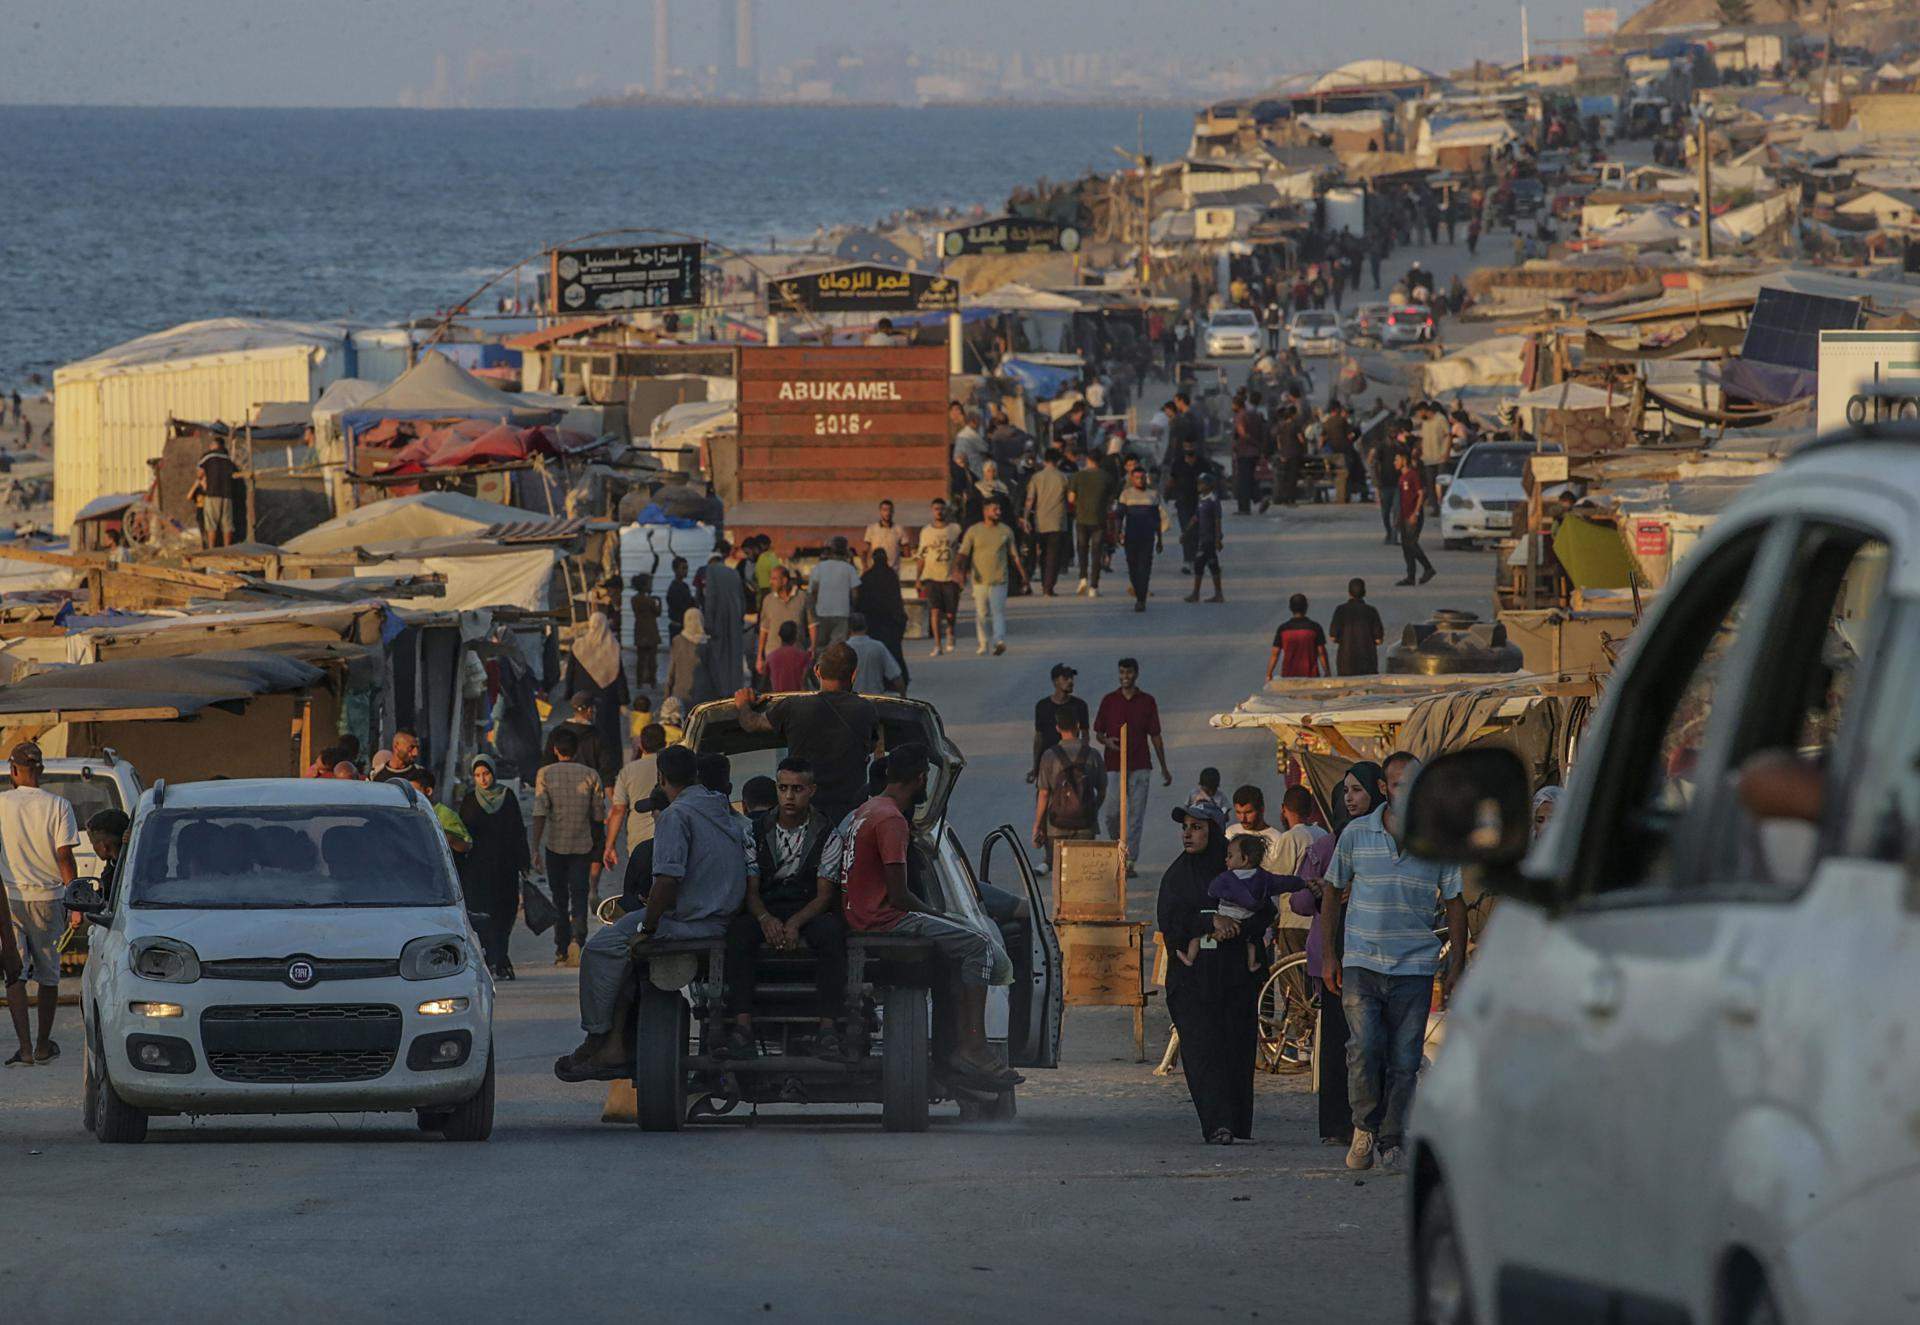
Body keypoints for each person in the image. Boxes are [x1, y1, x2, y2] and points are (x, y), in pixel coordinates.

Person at [555, 744, 749, 1082]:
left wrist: (649, 924)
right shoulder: (720, 808)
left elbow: (668, 881)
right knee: (624, 948)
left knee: (601, 949)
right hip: (722, 916)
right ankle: (614, 1040)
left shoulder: (677, 814)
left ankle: (598, 1038)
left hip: (691, 921)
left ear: (661, 777)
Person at [835, 744, 1019, 1087]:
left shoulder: (867, 809)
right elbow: (901, 895)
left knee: (959, 944)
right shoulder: (892, 820)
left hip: (860, 916)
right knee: (978, 945)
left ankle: (963, 1043)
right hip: (885, 919)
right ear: (920, 779)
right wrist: (937, 913)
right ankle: (973, 1046)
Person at [1324, 754, 1468, 1173]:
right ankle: (1364, 1126)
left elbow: (1456, 902)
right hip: (1362, 962)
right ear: (1384, 789)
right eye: (1398, 784)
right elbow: (1333, 892)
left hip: (1414, 967)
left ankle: (1392, 1139)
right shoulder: (1356, 834)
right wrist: (1330, 955)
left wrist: (1457, 961)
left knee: (1405, 1060)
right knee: (1364, 1049)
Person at [720, 757, 850, 1060]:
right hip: (766, 902)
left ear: (812, 791)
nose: (790, 796)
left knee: (832, 934)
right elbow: (751, 889)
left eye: (797, 789)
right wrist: (765, 918)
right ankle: (742, 1027)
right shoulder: (755, 831)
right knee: (739, 934)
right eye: (783, 788)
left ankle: (828, 1029)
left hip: (807, 906)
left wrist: (794, 923)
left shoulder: (827, 833)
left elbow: (824, 895)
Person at [1156, 801, 1266, 1143]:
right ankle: (1216, 1124)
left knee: (1235, 1048)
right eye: (1185, 827)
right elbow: (1170, 923)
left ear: (1215, 832)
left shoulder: (1237, 869)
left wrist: (1238, 928)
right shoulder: (1177, 876)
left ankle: (1235, 1123)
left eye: (1198, 827)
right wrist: (1207, 921)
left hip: (1234, 979)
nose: (1188, 833)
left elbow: (1264, 911)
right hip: (1193, 982)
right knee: (1202, 1051)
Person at [732, 642, 879, 828]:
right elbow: (872, 746)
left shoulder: (794, 707)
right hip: (850, 818)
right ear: (854, 674)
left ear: (817, 671)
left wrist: (743, 703)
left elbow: (752, 724)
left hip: (804, 818)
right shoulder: (866, 710)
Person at [1, 742, 77, 1067]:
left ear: (13, 771)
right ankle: (45, 1044)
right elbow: (64, 856)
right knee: (49, 976)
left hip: (9, 900)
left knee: (13, 973)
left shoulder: (1, 803)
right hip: (49, 900)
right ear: (41, 771)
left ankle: (25, 1048)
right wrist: (76, 902)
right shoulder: (59, 805)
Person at [532, 727, 604, 967]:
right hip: (582, 846)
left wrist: (534, 847)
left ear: (555, 750)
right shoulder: (591, 775)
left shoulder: (545, 774)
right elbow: (598, 815)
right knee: (580, 895)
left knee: (559, 898)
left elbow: (540, 812)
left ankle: (561, 948)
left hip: (555, 846)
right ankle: (578, 941)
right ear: (577, 750)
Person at [1094, 658, 1171, 871]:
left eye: (1128, 673)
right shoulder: (1109, 700)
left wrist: (1164, 767)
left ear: (1135, 674)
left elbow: (1155, 735)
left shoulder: (1147, 701)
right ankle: (1118, 847)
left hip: (1140, 765)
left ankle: (1129, 860)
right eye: (1122, 673)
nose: (1125, 677)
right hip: (1114, 765)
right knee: (1112, 813)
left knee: (1136, 815)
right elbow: (1099, 732)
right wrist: (1107, 741)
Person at [1201, 835, 1294, 972]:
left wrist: (1240, 927)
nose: (1226, 860)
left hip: (1235, 961)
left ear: (1244, 859)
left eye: (1230, 856)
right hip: (1221, 959)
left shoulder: (1235, 879)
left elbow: (1268, 911)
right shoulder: (1248, 879)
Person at [1032, 704, 1106, 874]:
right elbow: (1102, 790)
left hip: (1057, 826)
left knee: (1062, 876)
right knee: (1084, 874)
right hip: (1086, 825)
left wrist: (1038, 825)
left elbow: (1043, 793)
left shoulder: (1050, 756)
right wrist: (1091, 809)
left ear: (1058, 727)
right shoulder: (1092, 754)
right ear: (1078, 726)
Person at [559, 614, 627, 782]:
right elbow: (620, 676)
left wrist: (569, 694)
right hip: (607, 701)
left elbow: (570, 673)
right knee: (608, 735)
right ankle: (609, 772)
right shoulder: (613, 647)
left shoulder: (579, 646)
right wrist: (623, 698)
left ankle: (585, 766)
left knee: (584, 733)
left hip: (582, 699)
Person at [955, 497, 1025, 657]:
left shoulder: (1006, 531)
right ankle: (983, 643)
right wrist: (959, 571)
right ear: (985, 511)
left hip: (1000, 579)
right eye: (995, 509)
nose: (998, 512)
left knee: (998, 611)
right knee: (981, 612)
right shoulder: (974, 531)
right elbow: (963, 553)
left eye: (999, 509)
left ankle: (999, 641)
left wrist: (1023, 576)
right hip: (979, 580)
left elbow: (1014, 556)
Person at [604, 722, 668, 872]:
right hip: (670, 834)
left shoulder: (628, 771)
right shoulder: (670, 764)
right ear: (664, 743)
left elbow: (618, 810)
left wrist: (610, 846)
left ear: (641, 745)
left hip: (638, 838)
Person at [1116, 466, 1170, 613]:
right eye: (1137, 477)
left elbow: (1157, 519)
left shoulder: (1153, 495)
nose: (1140, 480)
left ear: (1146, 478)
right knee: (1133, 568)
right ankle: (1138, 590)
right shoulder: (1126, 495)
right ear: (1132, 479)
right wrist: (1117, 533)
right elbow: (1119, 516)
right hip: (1131, 537)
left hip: (1147, 538)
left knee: (1145, 569)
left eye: (1142, 477)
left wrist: (1159, 539)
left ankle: (1141, 600)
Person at [855, 548, 910, 690]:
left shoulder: (866, 577)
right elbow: (896, 600)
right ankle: (895, 681)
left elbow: (860, 601)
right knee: (893, 651)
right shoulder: (891, 575)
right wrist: (900, 619)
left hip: (872, 622)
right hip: (890, 622)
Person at [1027, 663, 1088, 785]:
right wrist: (1036, 766)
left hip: (1071, 763)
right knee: (1045, 798)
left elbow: (1085, 736)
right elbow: (1039, 738)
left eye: (1072, 678)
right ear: (1055, 682)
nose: (1071, 681)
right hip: (1049, 762)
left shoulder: (1079, 705)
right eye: (1065, 678)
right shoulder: (1042, 706)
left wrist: (1081, 761)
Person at [701, 542, 749, 697]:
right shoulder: (733, 572)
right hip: (734, 621)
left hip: (719, 623)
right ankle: (735, 692)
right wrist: (739, 620)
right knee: (734, 658)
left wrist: (708, 624)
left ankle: (722, 693)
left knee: (719, 658)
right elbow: (742, 600)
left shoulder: (711, 571)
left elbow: (711, 599)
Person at [917, 497, 962, 657]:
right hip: (931, 576)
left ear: (946, 511)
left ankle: (950, 631)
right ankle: (937, 645)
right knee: (935, 611)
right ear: (932, 511)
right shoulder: (926, 532)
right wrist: (918, 578)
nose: (939, 511)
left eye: (941, 509)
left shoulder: (955, 529)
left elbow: (961, 553)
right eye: (936, 508)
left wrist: (960, 572)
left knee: (950, 613)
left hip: (949, 577)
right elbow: (921, 556)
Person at [1024, 448, 1072, 597]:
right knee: (1054, 555)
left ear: (1045, 460)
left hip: (1040, 521)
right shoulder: (1063, 477)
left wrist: (1025, 517)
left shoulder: (1036, 477)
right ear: (1058, 461)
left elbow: (1030, 499)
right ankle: (1048, 586)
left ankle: (1046, 583)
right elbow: (1070, 498)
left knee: (1043, 553)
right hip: (1057, 521)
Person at [756, 565, 813, 681]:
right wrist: (759, 656)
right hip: (773, 653)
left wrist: (813, 648)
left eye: (774, 579)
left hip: (797, 652)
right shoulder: (768, 600)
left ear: (784, 580)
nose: (770, 582)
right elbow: (764, 629)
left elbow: (812, 625)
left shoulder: (803, 597)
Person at [1068, 452, 1113, 597]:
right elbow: (1111, 501)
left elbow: (1071, 498)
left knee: (1082, 549)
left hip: (1081, 518)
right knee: (1096, 552)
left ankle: (1083, 579)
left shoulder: (1078, 476)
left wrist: (1080, 505)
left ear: (1088, 460)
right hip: (1099, 520)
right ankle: (1094, 586)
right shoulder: (1107, 477)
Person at [187, 435, 241, 550]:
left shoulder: (208, 456)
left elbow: (199, 473)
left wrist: (201, 480)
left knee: (211, 523)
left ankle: (211, 549)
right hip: (227, 495)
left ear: (214, 445)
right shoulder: (228, 458)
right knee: (227, 524)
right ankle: (228, 549)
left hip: (212, 494)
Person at [544, 691, 611, 784]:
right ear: (589, 710)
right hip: (587, 787)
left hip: (560, 785)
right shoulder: (598, 736)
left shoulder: (557, 731)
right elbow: (606, 769)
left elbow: (548, 761)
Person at [807, 536, 859, 650]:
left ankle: (819, 668)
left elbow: (812, 592)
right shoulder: (849, 569)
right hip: (842, 615)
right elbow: (855, 594)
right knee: (838, 650)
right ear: (845, 551)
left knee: (820, 649)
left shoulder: (819, 568)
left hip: (821, 613)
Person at [1394, 450, 1436, 586]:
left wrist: (1416, 513)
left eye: (1397, 459)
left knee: (1412, 544)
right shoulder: (1401, 477)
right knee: (1406, 546)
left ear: (1404, 460)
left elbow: (1421, 493)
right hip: (1404, 515)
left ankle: (1428, 568)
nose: (1395, 463)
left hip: (1413, 515)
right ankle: (1410, 576)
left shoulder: (1413, 475)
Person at [407, 767, 472, 856]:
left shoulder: (446, 814)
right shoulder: (408, 812)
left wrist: (447, 838)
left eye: (415, 792)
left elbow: (467, 845)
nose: (411, 795)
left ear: (428, 791)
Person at [1267, 594, 1331, 681]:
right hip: (1311, 676)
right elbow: (1321, 653)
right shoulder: (1315, 627)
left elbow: (1275, 654)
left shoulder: (1283, 629)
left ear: (1290, 608)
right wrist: (1327, 671)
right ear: (1306, 607)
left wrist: (1269, 674)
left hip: (1288, 676)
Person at [1329, 578, 1386, 676]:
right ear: (1364, 592)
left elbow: (1333, 637)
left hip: (1345, 663)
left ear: (1349, 593)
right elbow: (1378, 640)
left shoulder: (1340, 610)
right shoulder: (1371, 611)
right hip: (1368, 663)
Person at [1183, 472, 1225, 603]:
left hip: (1209, 538)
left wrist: (1218, 539)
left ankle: (1198, 594)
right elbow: (1196, 517)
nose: (1199, 486)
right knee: (1209, 565)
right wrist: (1186, 532)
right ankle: (1214, 594)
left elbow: (1217, 520)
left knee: (1202, 564)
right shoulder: (1201, 498)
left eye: (1202, 483)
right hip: (1202, 536)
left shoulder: (1213, 500)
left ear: (1209, 485)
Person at [663, 605, 712, 709]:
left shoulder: (678, 640)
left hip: (680, 693)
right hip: (704, 694)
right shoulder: (708, 643)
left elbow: (671, 670)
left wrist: (667, 694)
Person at [844, 613, 905, 694]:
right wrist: (903, 696)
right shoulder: (878, 647)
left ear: (849, 629)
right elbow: (896, 677)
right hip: (875, 699)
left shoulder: (843, 649)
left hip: (850, 699)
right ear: (866, 627)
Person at [630, 575, 662, 688]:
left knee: (641, 658)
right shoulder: (650, 600)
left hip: (639, 630)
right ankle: (652, 681)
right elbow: (658, 612)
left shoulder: (634, 599)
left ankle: (639, 681)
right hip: (651, 630)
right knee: (652, 658)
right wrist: (658, 600)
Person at [763, 620, 812, 692]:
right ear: (795, 636)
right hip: (797, 698)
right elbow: (805, 681)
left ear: (780, 635)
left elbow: (764, 684)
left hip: (778, 698)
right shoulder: (804, 656)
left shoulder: (771, 657)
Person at [862, 499, 909, 572]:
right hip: (875, 571)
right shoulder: (871, 528)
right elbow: (864, 551)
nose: (887, 513)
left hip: (893, 572)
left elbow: (907, 551)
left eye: (890, 510)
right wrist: (865, 566)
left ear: (893, 512)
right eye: (884, 510)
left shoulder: (899, 529)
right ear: (880, 511)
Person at [665, 557, 695, 639]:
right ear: (675, 570)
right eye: (683, 568)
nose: (686, 571)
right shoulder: (674, 588)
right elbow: (680, 607)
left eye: (686, 568)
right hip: (678, 627)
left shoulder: (685, 586)